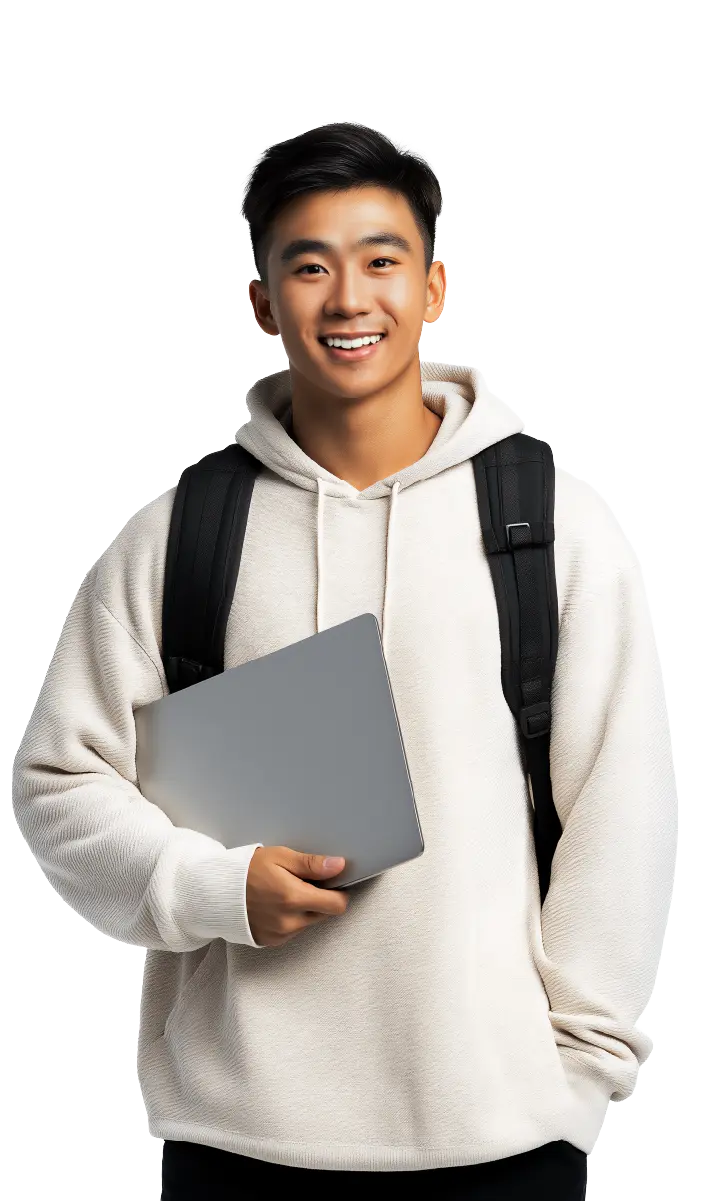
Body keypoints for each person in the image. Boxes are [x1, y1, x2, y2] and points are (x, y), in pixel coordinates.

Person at [12, 123, 677, 1200]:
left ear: (433, 287)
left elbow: (621, 805)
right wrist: (209, 887)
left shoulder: (548, 522)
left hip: (503, 1136)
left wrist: (579, 1074)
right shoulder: (184, 531)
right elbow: (57, 784)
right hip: (234, 1138)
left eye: (380, 260)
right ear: (261, 303)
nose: (346, 298)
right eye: (307, 266)